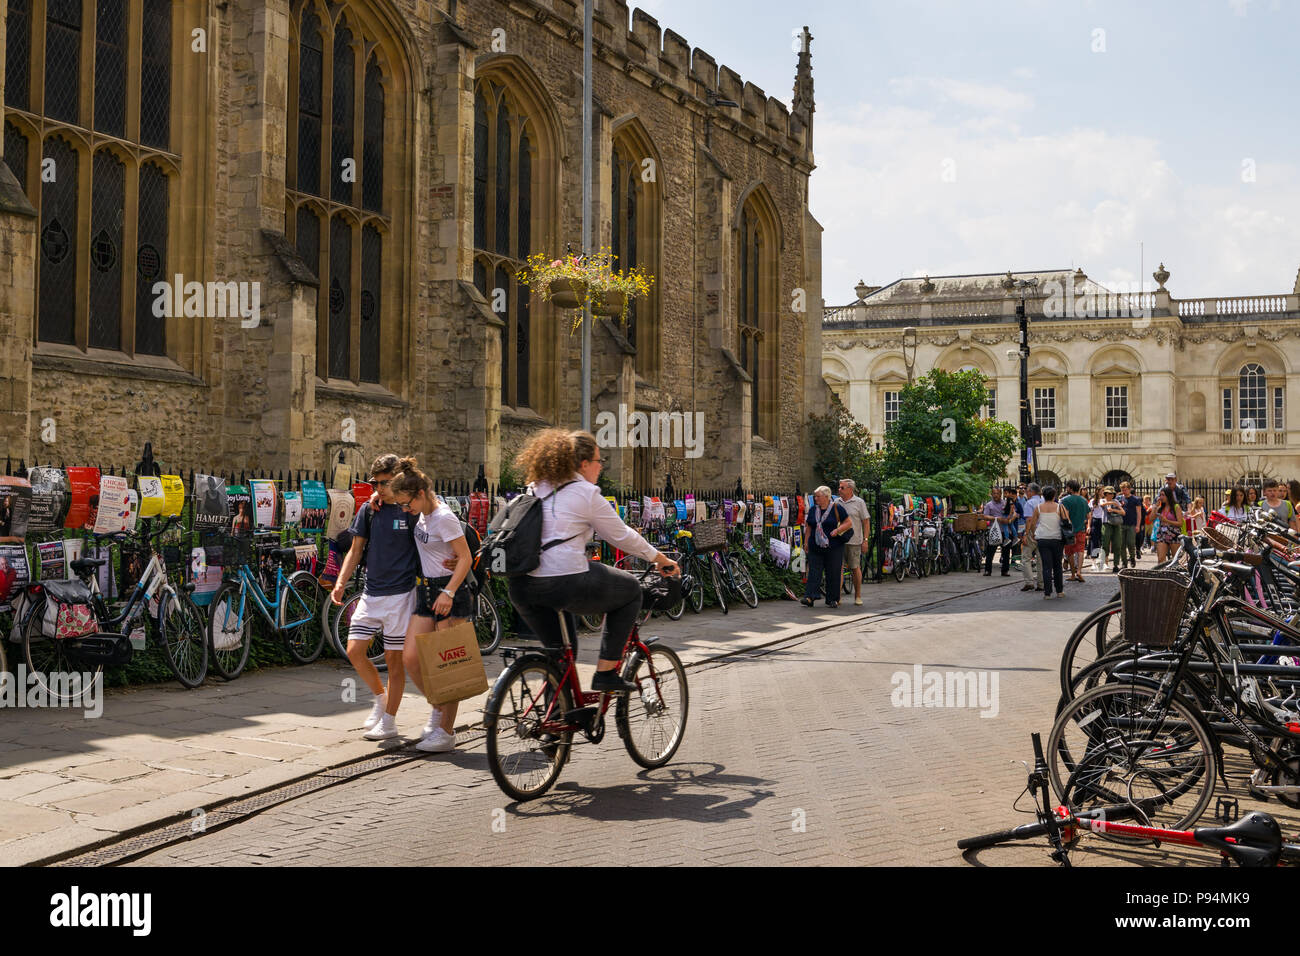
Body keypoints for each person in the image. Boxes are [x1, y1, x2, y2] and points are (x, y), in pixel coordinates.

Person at [506, 429, 678, 693]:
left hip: (521, 586)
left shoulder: (534, 488)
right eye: (599, 461)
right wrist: (659, 558)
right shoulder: (585, 492)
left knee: (561, 653)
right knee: (631, 589)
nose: (600, 467)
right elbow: (621, 536)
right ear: (584, 464)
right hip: (563, 582)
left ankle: (557, 720)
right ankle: (606, 672)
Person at [329, 453, 421, 741]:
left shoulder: (412, 509)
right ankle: (381, 700)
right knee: (355, 650)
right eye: (375, 483)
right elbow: (356, 550)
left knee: (395, 662)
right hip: (372, 591)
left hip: (401, 595)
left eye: (384, 483)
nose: (378, 488)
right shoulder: (370, 511)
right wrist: (340, 582)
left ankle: (390, 721)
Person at [390, 461, 474, 754]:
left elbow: (464, 558)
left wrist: (449, 592)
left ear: (423, 493)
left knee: (449, 666)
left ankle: (446, 732)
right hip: (426, 589)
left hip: (449, 592)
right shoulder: (423, 515)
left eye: (406, 503)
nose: (404, 509)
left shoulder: (443, 518)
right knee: (411, 657)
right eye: (400, 504)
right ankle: (438, 709)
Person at [803, 485, 850, 607]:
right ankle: (810, 597)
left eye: (818, 496)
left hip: (834, 546)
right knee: (814, 571)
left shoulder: (837, 508)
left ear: (826, 496)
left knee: (833, 572)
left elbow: (848, 523)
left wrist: (838, 530)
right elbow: (809, 526)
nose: (815, 498)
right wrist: (806, 542)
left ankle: (832, 599)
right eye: (815, 496)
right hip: (815, 545)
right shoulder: (813, 509)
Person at [1026, 486, 1066, 598]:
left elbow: (1033, 523)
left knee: (1046, 566)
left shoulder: (1038, 508)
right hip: (1057, 538)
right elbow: (1067, 521)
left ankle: (1047, 593)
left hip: (1043, 538)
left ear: (1043, 495)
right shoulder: (1059, 507)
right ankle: (1059, 591)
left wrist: (1034, 533)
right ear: (1054, 496)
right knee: (1057, 565)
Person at [837, 479, 870, 607]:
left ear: (850, 489)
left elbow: (866, 522)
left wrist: (865, 540)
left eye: (842, 488)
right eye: (839, 488)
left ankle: (858, 596)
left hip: (854, 540)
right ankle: (837, 597)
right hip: (839, 541)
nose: (839, 490)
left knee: (855, 567)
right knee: (838, 568)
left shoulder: (859, 502)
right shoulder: (836, 502)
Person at [1060, 479, 1091, 583]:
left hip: (1069, 531)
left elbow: (1066, 516)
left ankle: (1073, 574)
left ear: (1070, 488)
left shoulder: (1065, 500)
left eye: (1067, 487)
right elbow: (1088, 515)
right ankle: (1079, 571)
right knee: (1081, 551)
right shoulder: (1083, 500)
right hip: (1081, 529)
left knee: (1070, 552)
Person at [980, 486, 1015, 576]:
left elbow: (1011, 514)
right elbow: (985, 516)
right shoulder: (989, 505)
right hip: (994, 531)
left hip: (1005, 531)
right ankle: (988, 570)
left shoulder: (1005, 503)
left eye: (998, 493)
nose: (996, 495)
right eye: (994, 493)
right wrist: (997, 519)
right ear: (992, 494)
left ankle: (1005, 570)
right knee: (991, 551)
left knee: (1006, 552)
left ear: (1000, 494)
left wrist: (1008, 519)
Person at [1019, 483, 1044, 592]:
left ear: (1031, 492)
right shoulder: (1044, 501)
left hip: (1032, 532)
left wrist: (1026, 534)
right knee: (1041, 559)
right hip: (1043, 532)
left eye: (1027, 491)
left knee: (1026, 557)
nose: (1026, 493)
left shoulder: (1029, 503)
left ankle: (1029, 582)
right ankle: (1041, 583)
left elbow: (1029, 520)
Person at [1153, 486, 1185, 564]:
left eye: (1163, 495)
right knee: (1160, 559)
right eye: (1160, 495)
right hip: (1162, 534)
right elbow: (1151, 518)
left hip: (1174, 533)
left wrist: (1167, 520)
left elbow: (1180, 523)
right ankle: (1161, 575)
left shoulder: (1176, 507)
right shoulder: (1160, 508)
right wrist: (1155, 507)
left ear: (1168, 496)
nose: (1161, 497)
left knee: (1175, 560)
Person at [1117, 481, 1141, 568]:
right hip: (1121, 524)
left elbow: (1139, 513)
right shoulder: (1119, 498)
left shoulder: (1136, 499)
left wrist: (1138, 525)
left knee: (1131, 543)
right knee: (1121, 544)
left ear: (1129, 489)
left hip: (1131, 524)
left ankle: (1132, 557)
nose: (1124, 491)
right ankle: (1124, 562)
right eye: (1123, 490)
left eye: (1126, 489)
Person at [1100, 486, 1125, 573]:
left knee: (1117, 544)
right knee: (1105, 543)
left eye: (1112, 493)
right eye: (1109, 493)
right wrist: (1110, 503)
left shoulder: (1116, 501)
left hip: (1116, 524)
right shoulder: (1103, 500)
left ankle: (1116, 564)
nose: (1110, 495)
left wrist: (1114, 508)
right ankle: (1104, 561)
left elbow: (1123, 512)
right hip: (1106, 523)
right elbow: (1102, 505)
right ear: (1105, 494)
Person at [1088, 487, 1106, 571]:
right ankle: (1093, 562)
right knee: (1094, 541)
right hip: (1095, 521)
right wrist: (1088, 526)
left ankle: (1104, 562)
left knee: (1104, 541)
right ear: (1098, 491)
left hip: (1103, 521)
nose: (1104, 492)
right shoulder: (1092, 501)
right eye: (1102, 490)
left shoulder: (1105, 500)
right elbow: (1090, 514)